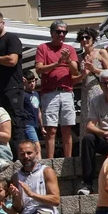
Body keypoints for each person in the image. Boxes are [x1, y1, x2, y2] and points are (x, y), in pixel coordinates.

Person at [34, 20, 79, 160]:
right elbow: (39, 69)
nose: (61, 34)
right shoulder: (43, 48)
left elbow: (75, 71)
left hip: (66, 92)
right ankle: (50, 161)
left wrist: (68, 61)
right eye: (58, 31)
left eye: (64, 32)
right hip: (49, 93)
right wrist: (57, 63)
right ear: (52, 33)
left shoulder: (70, 49)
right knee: (51, 129)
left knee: (67, 128)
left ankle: (68, 160)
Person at [0, 11, 26, 151]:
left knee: (16, 122)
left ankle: (21, 155)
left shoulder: (11, 39)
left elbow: (12, 60)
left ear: (3, 23)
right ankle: (7, 154)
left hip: (12, 88)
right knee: (1, 123)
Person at [74, 27, 108, 119]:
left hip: (100, 90)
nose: (84, 40)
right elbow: (75, 78)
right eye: (82, 38)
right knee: (87, 120)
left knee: (102, 118)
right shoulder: (79, 57)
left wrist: (94, 69)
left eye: (87, 37)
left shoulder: (101, 52)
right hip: (85, 93)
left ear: (93, 39)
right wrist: (83, 74)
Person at [22, 71, 41, 157]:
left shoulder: (36, 94)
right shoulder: (23, 94)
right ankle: (40, 162)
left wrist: (42, 126)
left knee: (33, 147)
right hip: (28, 124)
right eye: (29, 82)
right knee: (37, 146)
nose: (32, 84)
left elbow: (38, 110)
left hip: (35, 124)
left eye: (33, 81)